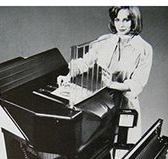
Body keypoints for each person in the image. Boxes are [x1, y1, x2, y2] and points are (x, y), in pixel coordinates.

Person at [58, 6, 153, 143]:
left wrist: (113, 84)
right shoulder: (105, 40)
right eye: (117, 19)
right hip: (102, 102)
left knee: (122, 148)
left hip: (124, 103)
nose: (121, 25)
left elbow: (137, 84)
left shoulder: (144, 49)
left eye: (126, 20)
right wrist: (67, 76)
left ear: (134, 21)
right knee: (98, 146)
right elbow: (84, 63)